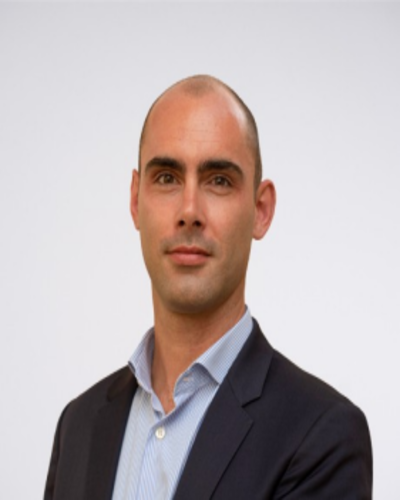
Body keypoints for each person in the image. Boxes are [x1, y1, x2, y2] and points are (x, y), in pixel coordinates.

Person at [44, 75, 373, 500]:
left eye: (218, 180)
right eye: (167, 177)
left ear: (261, 210)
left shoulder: (321, 436)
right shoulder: (79, 425)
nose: (189, 211)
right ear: (135, 200)